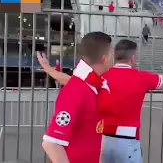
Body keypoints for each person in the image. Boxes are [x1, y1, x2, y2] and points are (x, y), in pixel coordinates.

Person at [38, 40, 163, 163]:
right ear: (132, 59)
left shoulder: (99, 77)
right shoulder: (141, 78)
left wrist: (47, 68)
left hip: (101, 140)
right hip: (127, 142)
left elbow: (69, 80)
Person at [41, 32, 113, 163]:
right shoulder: (76, 90)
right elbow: (51, 143)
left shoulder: (92, 85)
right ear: (104, 58)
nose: (112, 57)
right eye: (110, 53)